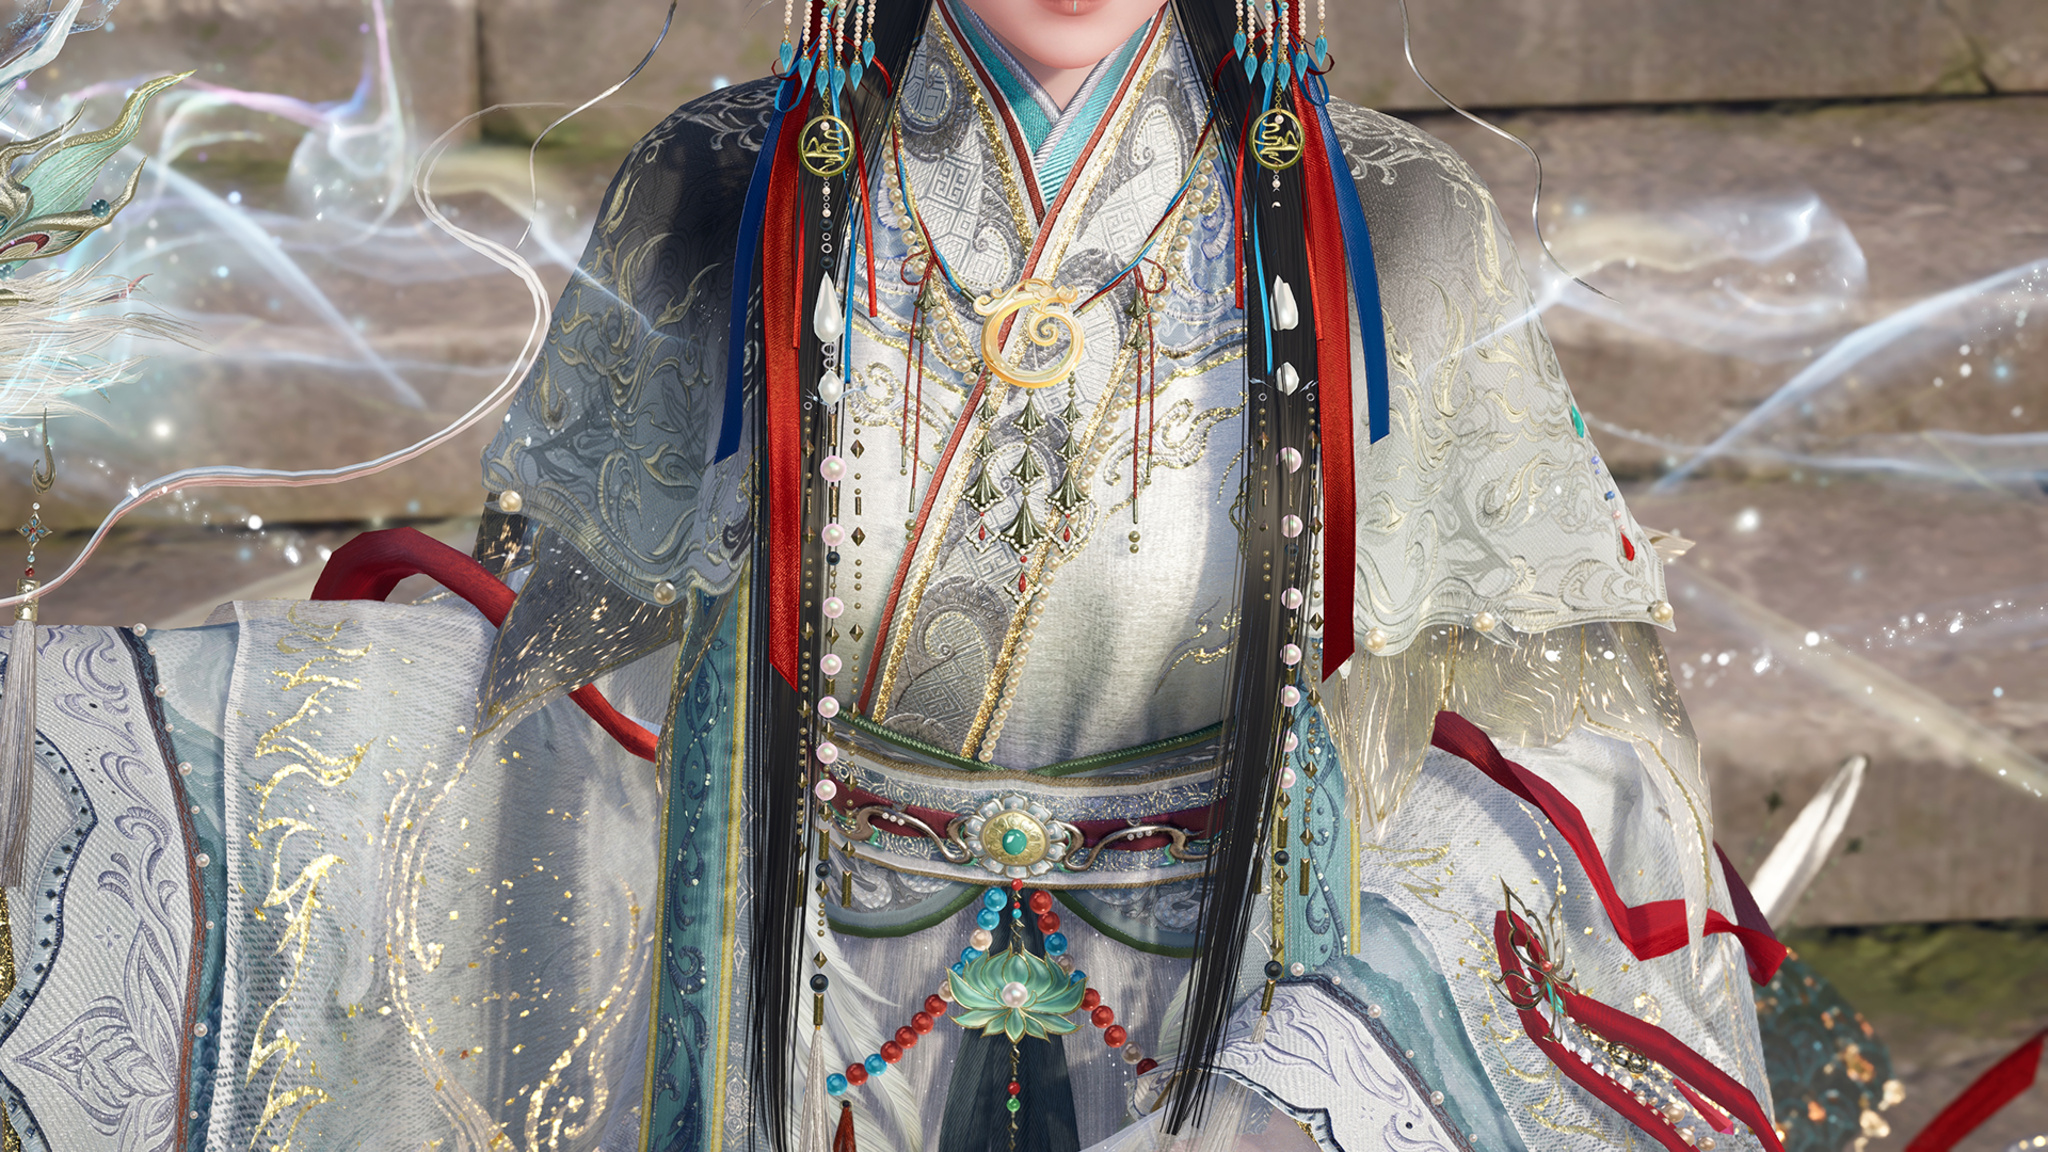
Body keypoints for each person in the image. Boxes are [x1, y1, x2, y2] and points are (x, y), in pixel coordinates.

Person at [0, 0, 1787, 1149]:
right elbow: (577, 670)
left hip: (1235, 990)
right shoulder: (719, 183)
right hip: (795, 967)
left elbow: (1569, 721)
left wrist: (1337, 1055)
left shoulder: (1387, 217)